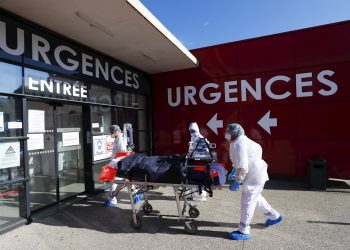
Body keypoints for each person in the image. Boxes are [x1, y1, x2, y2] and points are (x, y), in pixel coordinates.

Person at [225, 123, 282, 240]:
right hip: (253, 174)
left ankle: (244, 230)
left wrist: (237, 181)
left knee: (248, 201)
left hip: (255, 175)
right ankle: (274, 216)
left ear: (235, 133)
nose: (227, 134)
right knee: (256, 197)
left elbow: (243, 165)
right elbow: (241, 160)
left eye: (229, 132)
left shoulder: (240, 142)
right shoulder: (238, 141)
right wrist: (234, 170)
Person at [103, 124, 128, 207]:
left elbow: (122, 153)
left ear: (116, 131)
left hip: (117, 164)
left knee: (113, 182)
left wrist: (114, 163)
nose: (111, 133)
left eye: (112, 132)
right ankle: (112, 197)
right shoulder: (118, 138)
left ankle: (113, 199)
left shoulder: (120, 139)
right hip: (116, 163)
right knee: (121, 181)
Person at [188, 122, 208, 201]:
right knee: (193, 179)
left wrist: (194, 153)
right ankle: (193, 194)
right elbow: (191, 149)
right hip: (194, 161)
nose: (192, 133)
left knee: (199, 179)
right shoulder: (193, 138)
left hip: (200, 162)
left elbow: (204, 150)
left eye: (193, 131)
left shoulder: (200, 138)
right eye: (191, 131)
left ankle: (201, 196)